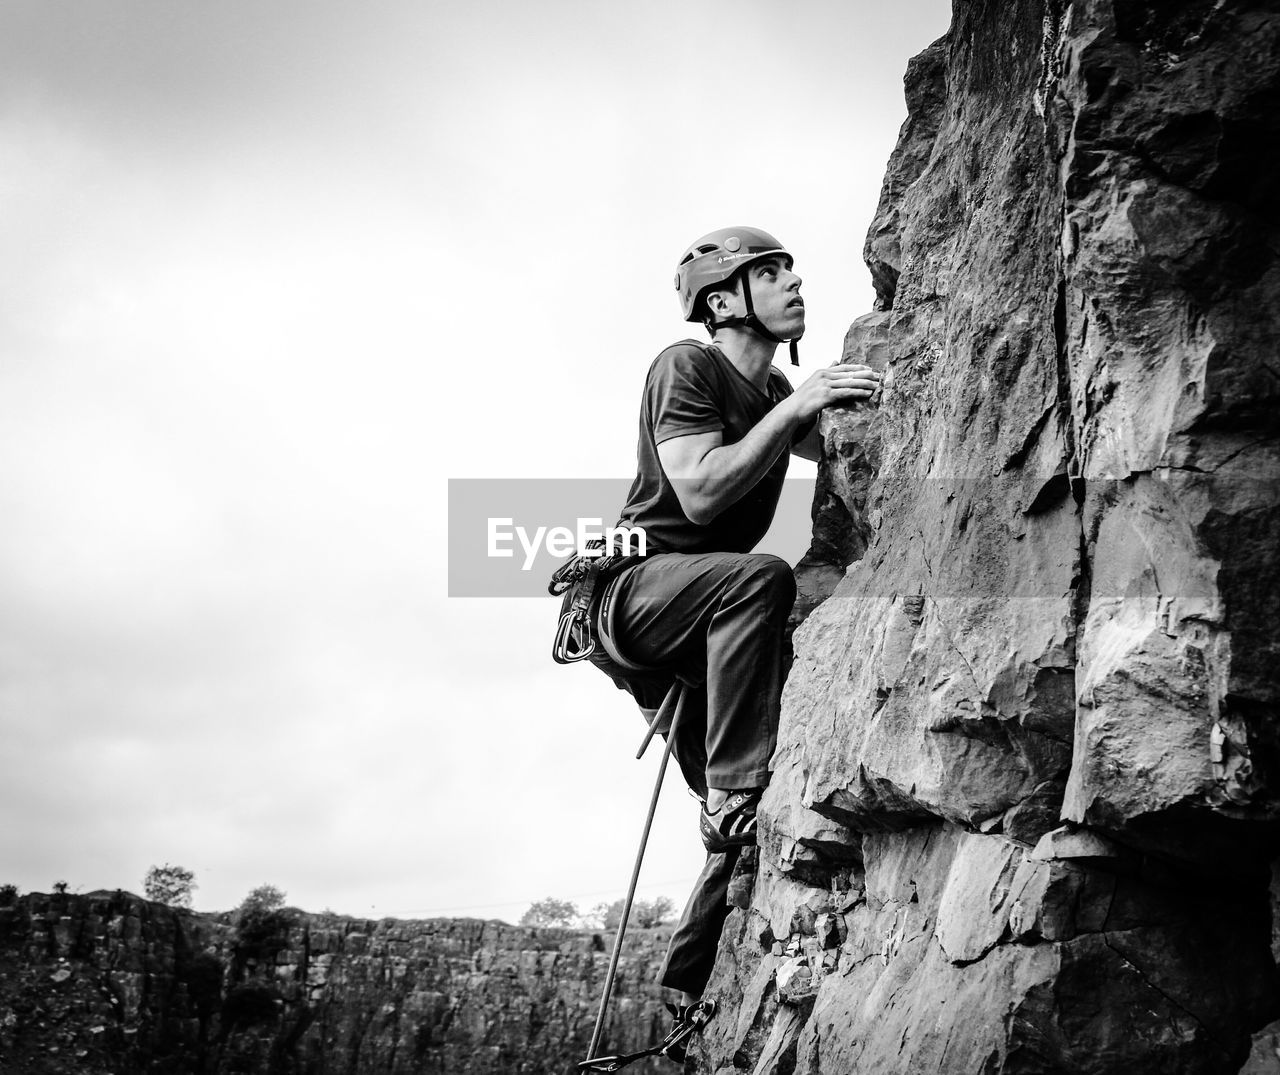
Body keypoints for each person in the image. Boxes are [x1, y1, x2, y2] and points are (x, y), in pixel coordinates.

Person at [596, 227, 880, 1021]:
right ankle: (728, 790)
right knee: (761, 580)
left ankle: (688, 989)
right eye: (770, 272)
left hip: (703, 624)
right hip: (638, 594)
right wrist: (800, 404)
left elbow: (850, 448)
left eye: (792, 270)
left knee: (744, 818)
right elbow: (700, 493)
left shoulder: (770, 399)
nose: (794, 282)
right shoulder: (687, 365)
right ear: (723, 301)